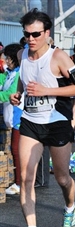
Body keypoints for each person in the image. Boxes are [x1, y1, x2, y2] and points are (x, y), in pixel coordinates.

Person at [10, 8, 75, 227]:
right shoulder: (22, 54)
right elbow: (25, 78)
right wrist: (18, 94)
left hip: (56, 122)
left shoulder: (60, 57)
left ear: (46, 33)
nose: (31, 39)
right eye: (27, 35)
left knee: (63, 178)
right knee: (26, 178)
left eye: (36, 34)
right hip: (31, 121)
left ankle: (70, 207)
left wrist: (47, 91)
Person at [0, 43, 22, 195]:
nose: (6, 61)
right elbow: (3, 82)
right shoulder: (10, 73)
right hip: (12, 118)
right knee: (15, 150)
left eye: (8, 58)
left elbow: (11, 93)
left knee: (17, 150)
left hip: (19, 117)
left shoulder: (19, 74)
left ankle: (19, 184)